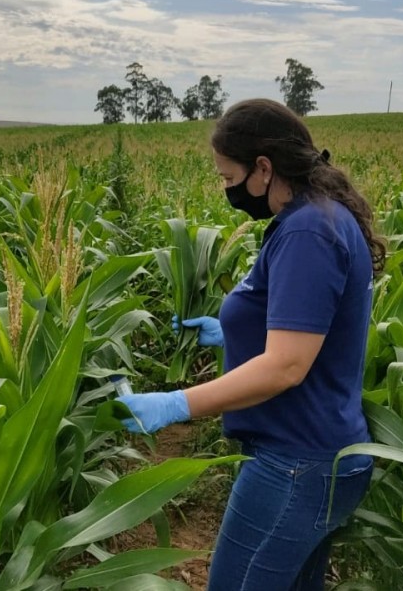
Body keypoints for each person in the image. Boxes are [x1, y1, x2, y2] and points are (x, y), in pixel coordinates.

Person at [117, 98, 386, 590]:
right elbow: (310, 330)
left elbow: (285, 366)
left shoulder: (308, 231)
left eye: (226, 177)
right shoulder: (319, 218)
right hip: (319, 458)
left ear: (263, 168)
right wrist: (234, 331)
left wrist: (175, 404)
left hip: (295, 465)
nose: (225, 188)